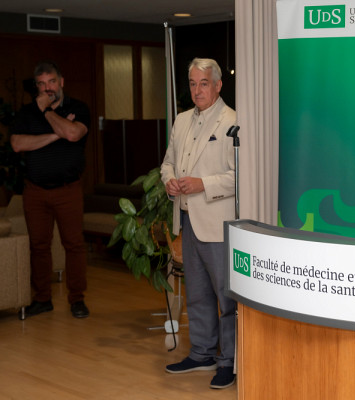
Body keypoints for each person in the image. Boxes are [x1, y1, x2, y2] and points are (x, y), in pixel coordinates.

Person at [161, 58, 237, 389]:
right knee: (197, 293)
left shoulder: (233, 120)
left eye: (203, 83)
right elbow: (168, 163)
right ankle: (202, 352)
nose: (197, 90)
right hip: (187, 219)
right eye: (192, 83)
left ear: (218, 85)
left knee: (225, 296)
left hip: (218, 221)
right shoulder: (180, 121)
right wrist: (169, 182)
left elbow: (239, 176)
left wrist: (201, 183)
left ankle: (229, 360)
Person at [10, 61, 90, 319]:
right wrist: (57, 134)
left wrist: (46, 113)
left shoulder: (78, 108)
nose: (47, 89)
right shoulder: (25, 113)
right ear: (37, 86)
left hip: (68, 189)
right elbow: (17, 144)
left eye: (52, 82)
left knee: (74, 245)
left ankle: (77, 299)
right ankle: (42, 299)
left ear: (61, 81)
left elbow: (74, 134)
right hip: (34, 191)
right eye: (42, 84)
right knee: (39, 246)